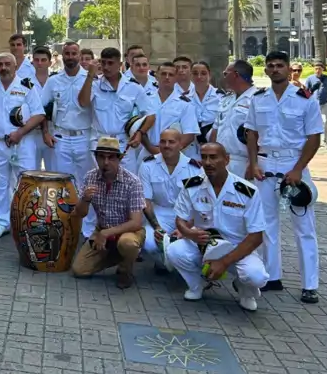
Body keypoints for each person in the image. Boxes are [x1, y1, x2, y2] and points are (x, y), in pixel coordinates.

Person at [245, 50, 322, 304]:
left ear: (288, 69)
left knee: (304, 227)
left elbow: (314, 138)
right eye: (271, 65)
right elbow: (252, 133)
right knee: (267, 224)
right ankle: (272, 276)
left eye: (280, 65)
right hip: (266, 164)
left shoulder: (305, 99)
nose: (275, 69)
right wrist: (254, 162)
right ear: (265, 70)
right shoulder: (259, 99)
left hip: (293, 163)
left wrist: (299, 169)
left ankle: (309, 284)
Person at [166, 143, 268, 311]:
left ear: (226, 160)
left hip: (237, 247)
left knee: (256, 276)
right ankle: (197, 285)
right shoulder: (192, 186)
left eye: (213, 157)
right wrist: (188, 233)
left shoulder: (247, 191)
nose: (207, 162)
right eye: (204, 157)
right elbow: (181, 220)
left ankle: (245, 291)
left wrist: (224, 262)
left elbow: (256, 236)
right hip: (203, 243)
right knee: (174, 251)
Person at [71, 136, 146, 289]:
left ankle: (125, 269)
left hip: (128, 231)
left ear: (119, 158)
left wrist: (106, 233)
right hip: (103, 229)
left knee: (128, 244)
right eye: (102, 157)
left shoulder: (132, 181)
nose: (106, 162)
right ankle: (119, 255)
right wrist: (84, 199)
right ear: (96, 158)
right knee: (79, 270)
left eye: (111, 157)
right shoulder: (90, 176)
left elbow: (136, 222)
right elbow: (79, 214)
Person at [0, 52, 44, 239]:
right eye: (0, 64)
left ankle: (26, 221)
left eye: (7, 64)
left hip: (23, 142)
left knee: (26, 184)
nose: (3, 68)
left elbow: (39, 114)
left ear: (15, 66)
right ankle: (2, 222)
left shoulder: (26, 86)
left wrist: (20, 133)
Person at [79, 47, 155, 175]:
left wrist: (140, 133)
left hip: (123, 143)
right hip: (99, 141)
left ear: (119, 65)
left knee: (127, 181)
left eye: (110, 63)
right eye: (103, 63)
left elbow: (150, 115)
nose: (106, 67)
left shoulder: (133, 86)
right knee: (98, 182)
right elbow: (83, 102)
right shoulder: (94, 84)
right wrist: (90, 76)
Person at [140, 128, 203, 271]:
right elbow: (146, 201)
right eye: (163, 141)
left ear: (181, 145)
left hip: (186, 215)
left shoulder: (194, 169)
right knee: (149, 242)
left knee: (191, 242)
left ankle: (180, 263)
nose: (166, 145)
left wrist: (185, 229)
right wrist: (157, 227)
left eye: (171, 142)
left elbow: (198, 205)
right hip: (159, 212)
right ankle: (163, 262)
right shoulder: (148, 165)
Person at [42, 42, 92, 213]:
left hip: (84, 137)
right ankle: (64, 220)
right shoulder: (53, 80)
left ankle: (87, 225)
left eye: (74, 53)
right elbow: (43, 108)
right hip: (60, 137)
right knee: (63, 182)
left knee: (86, 182)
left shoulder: (91, 79)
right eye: (67, 54)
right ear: (62, 56)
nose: (70, 57)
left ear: (79, 55)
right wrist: (45, 132)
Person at [140, 62, 198, 160]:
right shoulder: (145, 99)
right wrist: (151, 148)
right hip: (148, 152)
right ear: (157, 76)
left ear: (176, 78)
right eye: (163, 74)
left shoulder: (185, 104)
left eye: (171, 75)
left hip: (175, 155)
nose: (167, 77)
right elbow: (138, 128)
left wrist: (169, 151)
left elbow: (189, 135)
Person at [210, 60, 256, 177]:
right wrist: (210, 156)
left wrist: (253, 163)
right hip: (220, 159)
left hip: (243, 161)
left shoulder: (257, 99)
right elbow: (216, 129)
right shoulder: (227, 99)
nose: (223, 77)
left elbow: (259, 133)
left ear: (235, 75)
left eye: (226, 74)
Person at [31, 46, 56, 170]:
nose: (40, 63)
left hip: (52, 131)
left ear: (50, 62)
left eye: (43, 60)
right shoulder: (25, 82)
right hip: (31, 132)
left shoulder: (56, 81)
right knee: (31, 172)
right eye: (37, 60)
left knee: (52, 171)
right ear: (32, 62)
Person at [190, 61, 224, 149]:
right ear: (191, 76)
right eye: (195, 73)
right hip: (190, 145)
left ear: (210, 75)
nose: (199, 77)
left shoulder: (220, 97)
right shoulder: (185, 98)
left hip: (214, 144)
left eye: (203, 73)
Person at [305, 62, 327, 146]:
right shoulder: (309, 79)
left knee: (326, 122)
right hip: (313, 104)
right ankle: (313, 140)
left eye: (319, 69)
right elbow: (306, 92)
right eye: (316, 69)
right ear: (314, 69)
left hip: (325, 103)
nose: (318, 71)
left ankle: (324, 140)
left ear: (323, 69)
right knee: (313, 123)